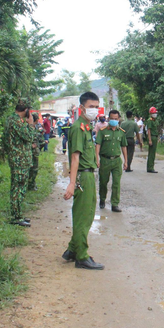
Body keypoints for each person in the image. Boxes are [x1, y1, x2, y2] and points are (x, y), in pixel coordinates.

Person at [62, 91, 104, 270]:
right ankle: (81, 256)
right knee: (83, 216)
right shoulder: (79, 128)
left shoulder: (86, 127)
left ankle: (72, 249)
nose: (94, 111)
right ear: (81, 108)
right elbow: (74, 158)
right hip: (82, 175)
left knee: (86, 213)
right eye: (91, 107)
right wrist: (72, 183)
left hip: (88, 174)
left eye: (96, 107)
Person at [3, 98, 34, 227]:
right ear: (26, 110)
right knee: (19, 187)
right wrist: (31, 124)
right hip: (19, 159)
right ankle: (16, 217)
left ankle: (18, 214)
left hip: (17, 158)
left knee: (18, 186)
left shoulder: (11, 119)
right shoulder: (17, 121)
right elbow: (28, 136)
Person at [96, 109, 128, 212]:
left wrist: (126, 161)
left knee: (116, 183)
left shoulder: (121, 132)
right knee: (103, 182)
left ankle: (115, 204)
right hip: (105, 160)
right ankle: (102, 199)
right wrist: (97, 158)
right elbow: (98, 145)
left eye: (116, 119)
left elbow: (124, 147)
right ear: (108, 119)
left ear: (119, 119)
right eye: (112, 119)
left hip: (117, 161)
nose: (114, 120)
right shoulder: (103, 131)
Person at [28, 112, 44, 191]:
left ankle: (32, 184)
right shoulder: (30, 128)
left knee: (34, 169)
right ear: (37, 119)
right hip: (30, 152)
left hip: (35, 152)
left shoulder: (35, 128)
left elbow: (38, 139)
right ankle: (30, 184)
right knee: (32, 169)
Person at [145, 107, 159, 173]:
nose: (155, 114)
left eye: (155, 113)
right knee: (151, 153)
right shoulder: (149, 121)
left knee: (153, 153)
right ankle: (150, 167)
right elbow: (149, 131)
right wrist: (150, 140)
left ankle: (151, 167)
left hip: (155, 137)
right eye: (154, 113)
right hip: (152, 137)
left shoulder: (155, 120)